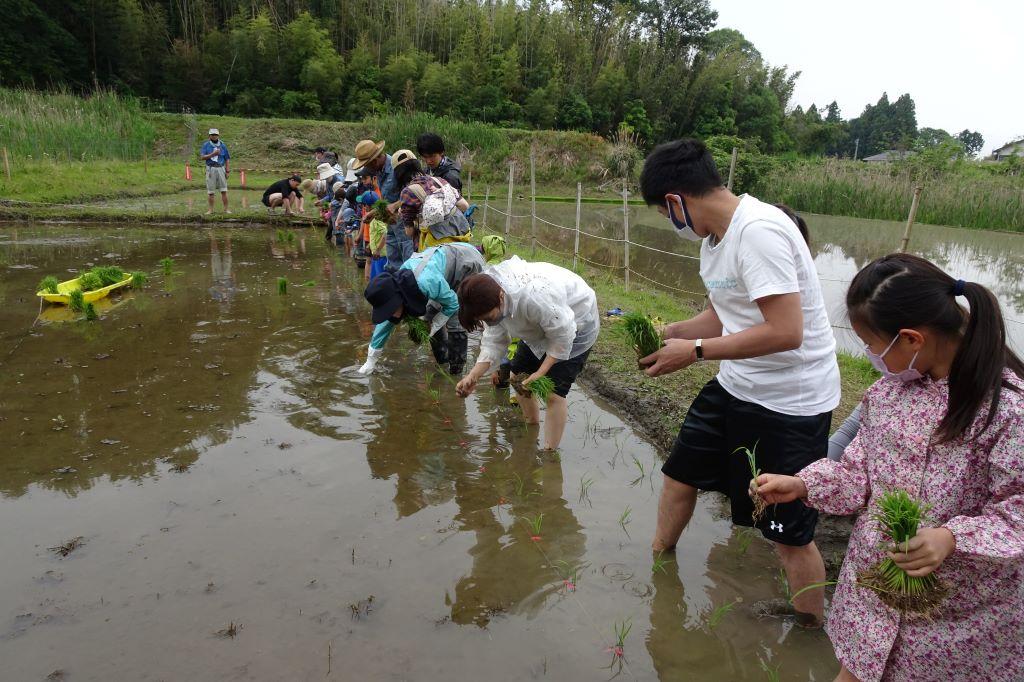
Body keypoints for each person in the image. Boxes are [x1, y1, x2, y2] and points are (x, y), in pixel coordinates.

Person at [755, 254, 1024, 682]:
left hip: (957, 613)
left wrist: (951, 538)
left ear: (911, 340)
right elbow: (860, 473)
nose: (870, 355)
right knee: (859, 668)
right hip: (877, 588)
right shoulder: (886, 395)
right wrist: (804, 483)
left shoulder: (1006, 411)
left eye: (872, 343)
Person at [637, 138, 840, 626]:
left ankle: (810, 629)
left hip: (790, 401)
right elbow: (723, 313)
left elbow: (786, 331)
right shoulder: (715, 240)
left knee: (785, 529)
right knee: (679, 473)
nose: (672, 224)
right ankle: (659, 563)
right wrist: (672, 333)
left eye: (666, 215)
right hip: (736, 385)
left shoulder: (760, 232)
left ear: (675, 200)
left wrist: (697, 352)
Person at [454, 257, 599, 450]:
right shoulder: (488, 297)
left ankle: (549, 453)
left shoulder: (535, 296)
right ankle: (531, 427)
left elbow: (563, 334)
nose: (489, 322)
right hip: (538, 325)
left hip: (576, 321)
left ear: (500, 297)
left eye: (489, 317)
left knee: (553, 393)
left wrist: (541, 372)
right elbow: (493, 343)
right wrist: (472, 376)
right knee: (517, 378)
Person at [358, 242, 487, 376]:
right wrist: (370, 361)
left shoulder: (426, 282)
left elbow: (453, 303)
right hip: (440, 269)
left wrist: (434, 325)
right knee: (430, 313)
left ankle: (456, 372)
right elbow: (386, 323)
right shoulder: (398, 288)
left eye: (390, 310)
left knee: (456, 320)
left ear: (398, 301)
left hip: (466, 262)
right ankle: (442, 363)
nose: (392, 316)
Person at [393, 149, 472, 250]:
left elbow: (409, 232)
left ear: (398, 174)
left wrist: (406, 215)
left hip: (431, 249)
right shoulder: (439, 180)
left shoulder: (407, 193)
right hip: (458, 241)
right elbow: (464, 206)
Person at [352, 139, 411, 270]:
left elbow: (415, 192)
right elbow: (387, 199)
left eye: (368, 164)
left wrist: (395, 206)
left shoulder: (397, 167)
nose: (367, 168)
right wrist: (373, 213)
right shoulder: (378, 171)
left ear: (375, 159)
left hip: (406, 227)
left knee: (408, 265)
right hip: (391, 225)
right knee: (392, 266)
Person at [199, 128, 230, 214]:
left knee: (224, 190)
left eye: (215, 135)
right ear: (209, 136)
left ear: (218, 135)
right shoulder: (206, 145)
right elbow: (202, 157)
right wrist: (213, 154)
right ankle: (211, 210)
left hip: (221, 168)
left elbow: (227, 158)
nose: (214, 136)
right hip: (210, 168)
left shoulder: (223, 145)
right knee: (211, 191)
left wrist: (227, 170)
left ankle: (226, 209)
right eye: (212, 135)